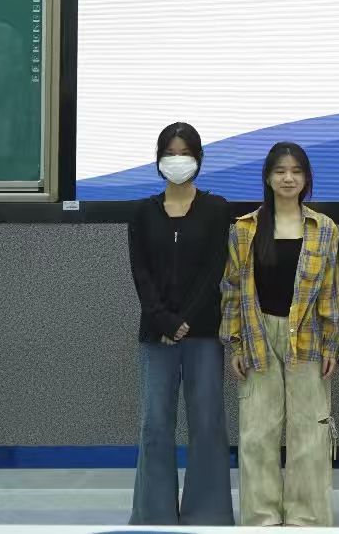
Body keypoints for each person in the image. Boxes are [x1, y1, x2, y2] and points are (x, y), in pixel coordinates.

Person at [221, 141, 339, 527]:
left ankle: (307, 519)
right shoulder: (244, 229)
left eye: (296, 171)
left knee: (310, 431)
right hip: (258, 334)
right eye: (280, 171)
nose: (288, 178)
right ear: (268, 177)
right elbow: (232, 289)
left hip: (307, 337)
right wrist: (235, 343)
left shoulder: (324, 228)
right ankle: (261, 519)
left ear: (306, 178)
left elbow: (330, 291)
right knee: (257, 433)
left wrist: (331, 345)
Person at [127, 121, 234, 526]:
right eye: (170, 153)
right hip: (156, 334)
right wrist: (165, 320)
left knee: (207, 422)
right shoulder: (143, 212)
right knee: (155, 423)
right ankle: (153, 515)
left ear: (199, 159)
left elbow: (214, 270)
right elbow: (141, 273)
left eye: (185, 153)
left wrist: (185, 320)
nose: (177, 160)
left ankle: (207, 514)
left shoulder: (216, 208)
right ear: (158, 160)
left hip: (203, 331)